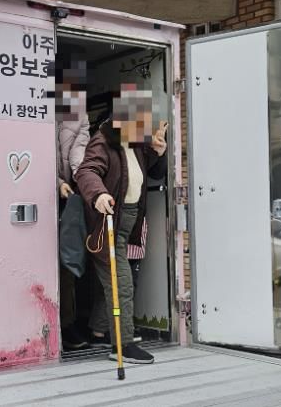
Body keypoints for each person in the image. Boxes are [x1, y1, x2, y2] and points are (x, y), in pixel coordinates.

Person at [76, 85, 168, 364]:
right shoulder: (103, 140)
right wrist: (98, 194)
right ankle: (122, 345)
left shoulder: (134, 143)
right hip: (108, 224)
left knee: (115, 281)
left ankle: (101, 331)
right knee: (121, 284)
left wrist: (157, 152)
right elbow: (87, 171)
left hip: (129, 223)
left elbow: (139, 172)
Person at [56, 56, 91, 350]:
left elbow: (78, 153)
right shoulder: (34, 107)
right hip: (36, 188)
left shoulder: (81, 116)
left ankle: (66, 325)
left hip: (67, 198)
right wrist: (55, 181)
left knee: (69, 261)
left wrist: (83, 180)